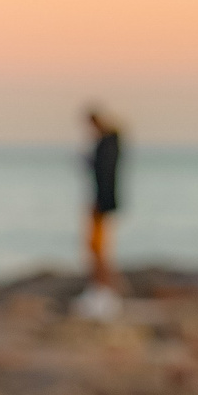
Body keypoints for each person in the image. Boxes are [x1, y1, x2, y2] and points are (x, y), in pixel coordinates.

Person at [85, 102, 124, 290]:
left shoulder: (107, 143)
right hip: (103, 199)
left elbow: (105, 173)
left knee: (97, 246)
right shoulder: (110, 142)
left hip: (103, 200)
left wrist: (101, 201)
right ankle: (103, 285)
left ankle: (104, 286)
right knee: (98, 246)